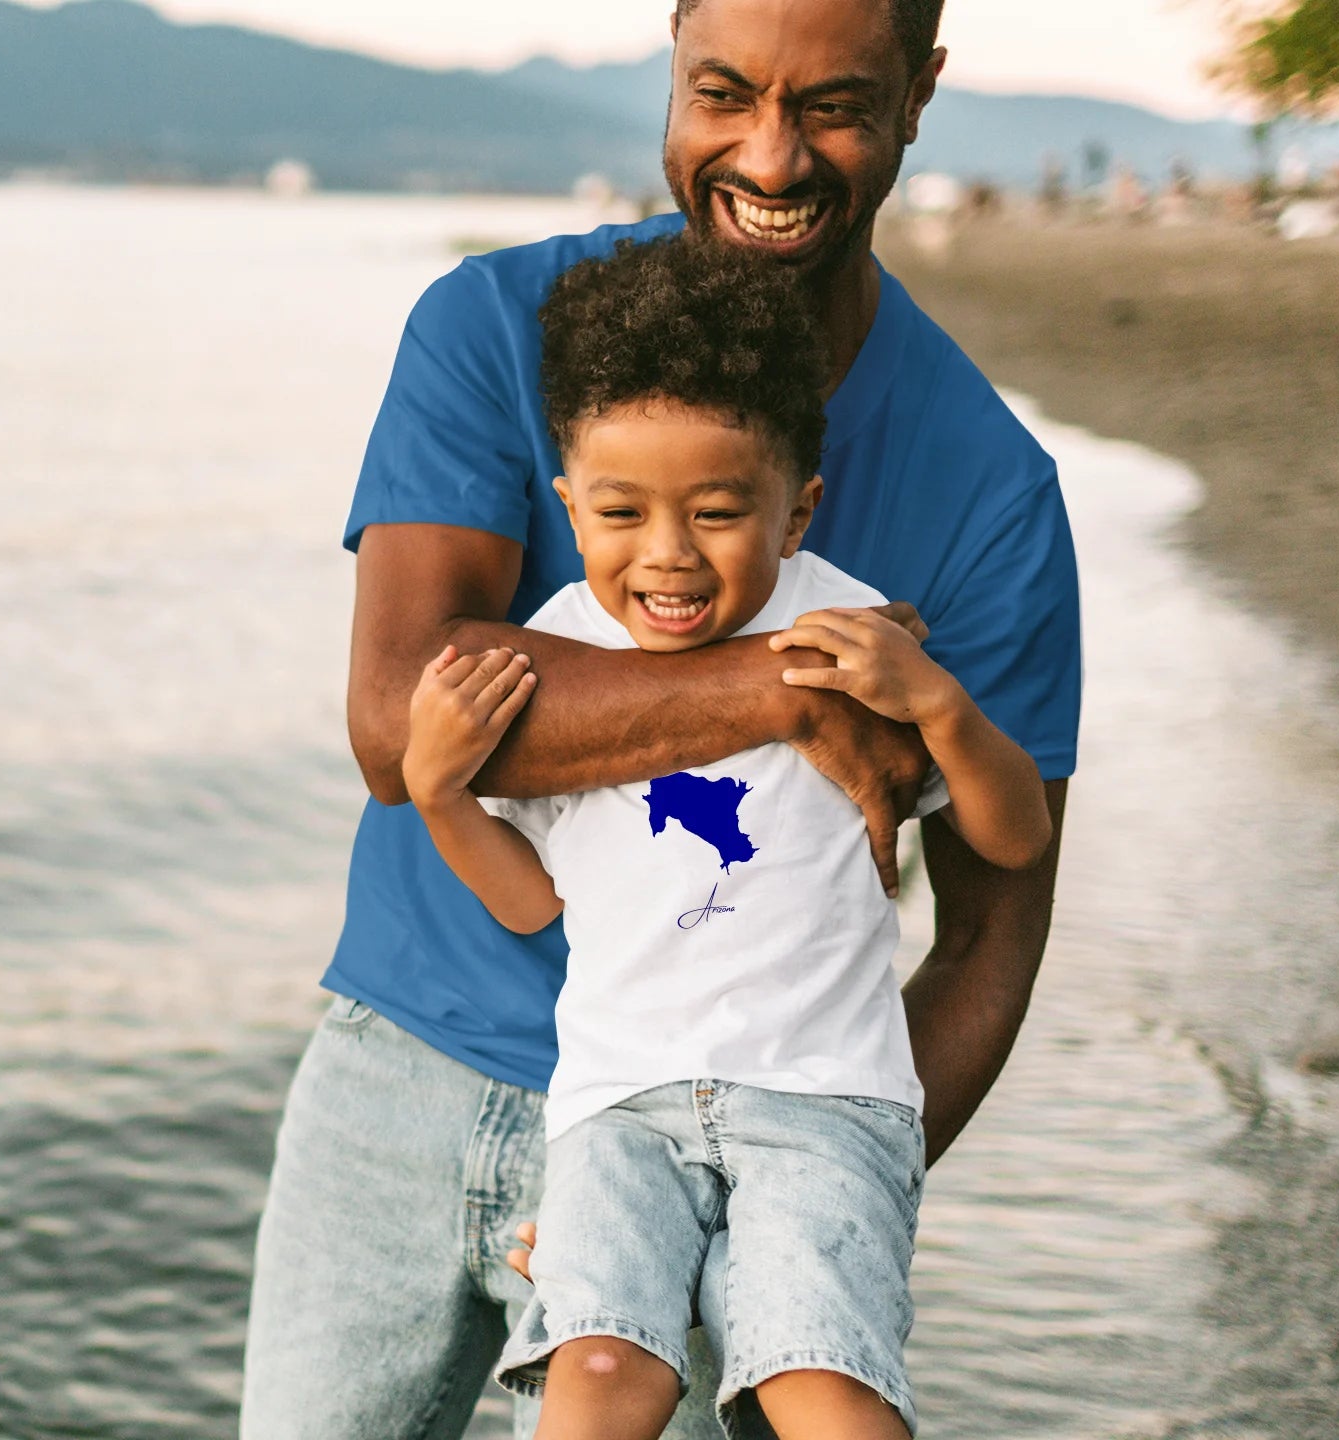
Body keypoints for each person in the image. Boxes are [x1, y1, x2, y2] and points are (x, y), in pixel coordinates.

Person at [239, 1, 1081, 1435]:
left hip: (731, 1136)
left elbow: (996, 922)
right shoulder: (493, 329)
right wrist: (782, 692)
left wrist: (809, 1199)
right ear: (673, 70)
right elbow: (398, 725)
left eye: (831, 104)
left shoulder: (990, 488)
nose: (769, 152)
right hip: (402, 1074)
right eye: (724, 92)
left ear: (921, 92)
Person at [401, 236, 1053, 1440]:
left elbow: (1010, 841)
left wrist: (943, 709)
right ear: (568, 505)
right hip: (621, 1106)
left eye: (716, 511)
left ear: (796, 507)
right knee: (598, 1377)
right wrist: (441, 796)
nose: (668, 553)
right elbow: (530, 903)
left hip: (824, 1099)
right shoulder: (550, 653)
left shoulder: (856, 637)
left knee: (822, 1385)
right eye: (620, 512)